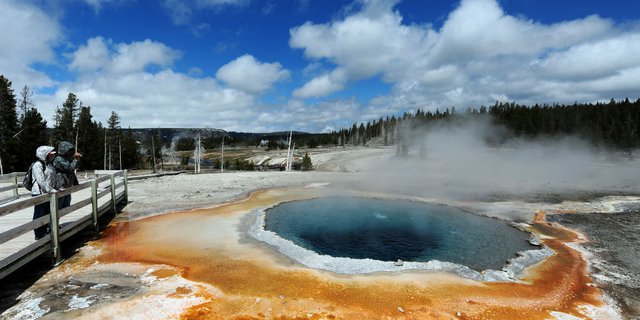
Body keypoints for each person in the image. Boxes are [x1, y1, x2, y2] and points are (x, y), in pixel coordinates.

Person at [31, 146, 63, 240]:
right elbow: (41, 180)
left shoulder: (49, 164)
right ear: (44, 154)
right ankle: (39, 233)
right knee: (39, 213)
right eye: (51, 154)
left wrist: (59, 186)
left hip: (48, 192)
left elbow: (54, 177)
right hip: (39, 193)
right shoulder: (38, 165)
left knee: (47, 212)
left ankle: (45, 230)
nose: (52, 155)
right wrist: (50, 189)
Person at [53, 141, 81, 210]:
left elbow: (71, 172)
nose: (70, 152)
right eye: (68, 150)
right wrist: (76, 159)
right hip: (60, 187)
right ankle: (55, 220)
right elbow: (69, 169)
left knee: (66, 207)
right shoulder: (58, 159)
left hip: (67, 187)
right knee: (58, 208)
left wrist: (75, 182)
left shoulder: (67, 159)